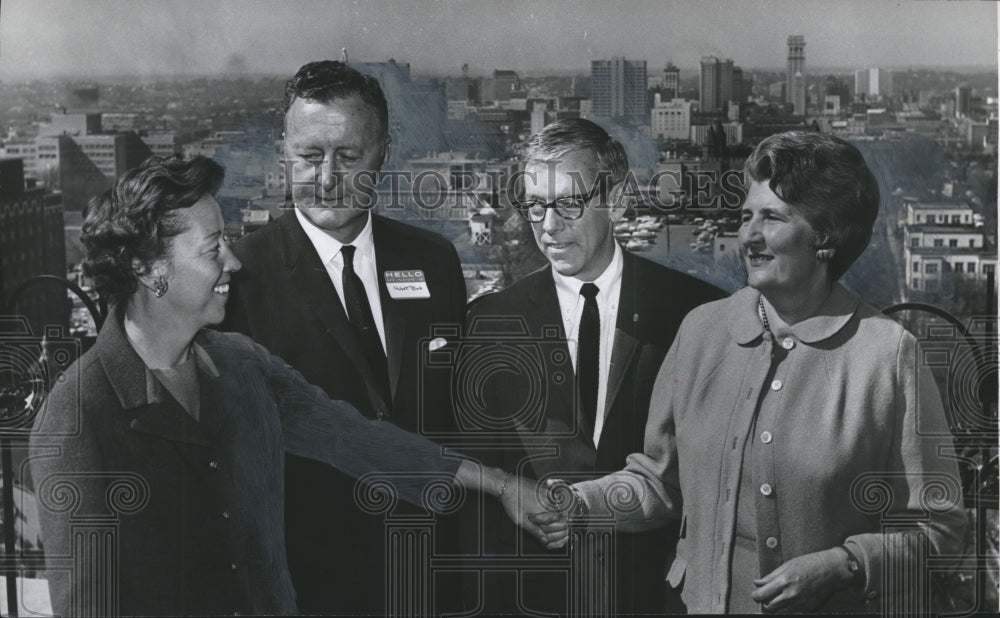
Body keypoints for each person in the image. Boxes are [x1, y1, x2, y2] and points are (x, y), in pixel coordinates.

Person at [28, 155, 547, 617]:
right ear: (149, 270)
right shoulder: (78, 416)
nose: (233, 261)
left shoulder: (240, 364)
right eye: (213, 249)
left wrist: (500, 484)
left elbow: (357, 440)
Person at [536, 131, 967, 613]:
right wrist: (580, 502)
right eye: (745, 217)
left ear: (824, 235)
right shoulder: (702, 331)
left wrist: (844, 564)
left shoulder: (886, 355)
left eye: (772, 218)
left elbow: (941, 530)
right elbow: (660, 483)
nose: (748, 236)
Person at [221, 61, 468, 615]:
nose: (328, 176)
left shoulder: (434, 261)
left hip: (430, 580)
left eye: (349, 156)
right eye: (310, 156)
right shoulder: (239, 278)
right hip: (306, 587)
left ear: (383, 150)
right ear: (283, 152)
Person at [460, 118, 725, 615]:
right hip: (533, 597)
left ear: (618, 200)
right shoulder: (492, 322)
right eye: (535, 205)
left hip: (660, 596)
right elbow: (478, 474)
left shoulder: (695, 313)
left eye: (568, 203)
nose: (549, 226)